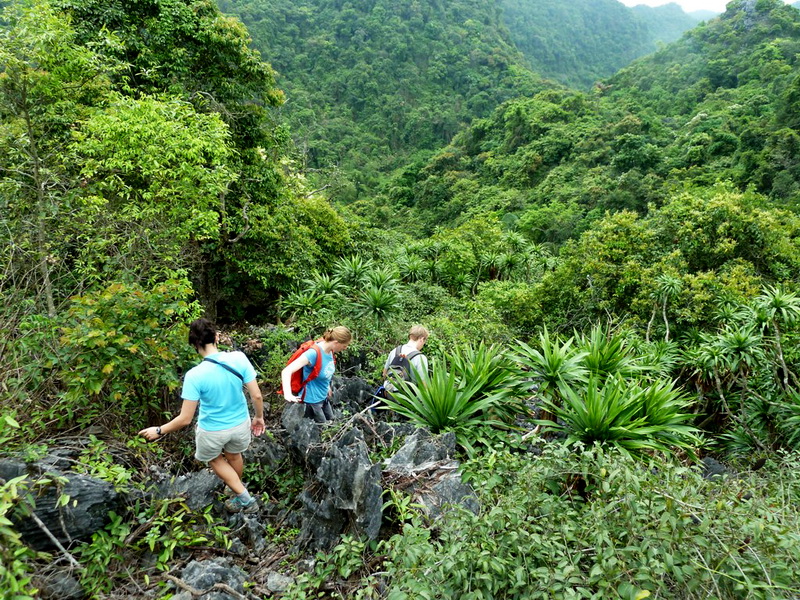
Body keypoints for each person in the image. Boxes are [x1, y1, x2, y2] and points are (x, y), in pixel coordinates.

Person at [138, 318, 265, 513]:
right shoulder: (239, 358)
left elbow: (185, 419)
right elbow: (256, 395)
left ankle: (245, 498)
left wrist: (159, 430)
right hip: (240, 423)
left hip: (213, 430)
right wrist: (259, 417)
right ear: (216, 337)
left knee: (215, 459)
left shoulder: (195, 375)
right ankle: (236, 489)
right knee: (234, 454)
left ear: (194, 344)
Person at [281, 326, 352, 423]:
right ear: (336, 343)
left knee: (332, 424)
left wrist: (327, 386)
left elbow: (324, 370)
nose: (345, 348)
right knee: (322, 431)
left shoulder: (330, 350)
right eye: (344, 346)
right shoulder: (313, 353)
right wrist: (288, 394)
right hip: (311, 402)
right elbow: (286, 371)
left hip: (323, 397)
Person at [381, 324, 429, 397]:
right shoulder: (421, 358)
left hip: (389, 397)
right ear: (422, 339)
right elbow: (423, 385)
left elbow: (384, 374)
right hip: (408, 403)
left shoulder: (394, 351)